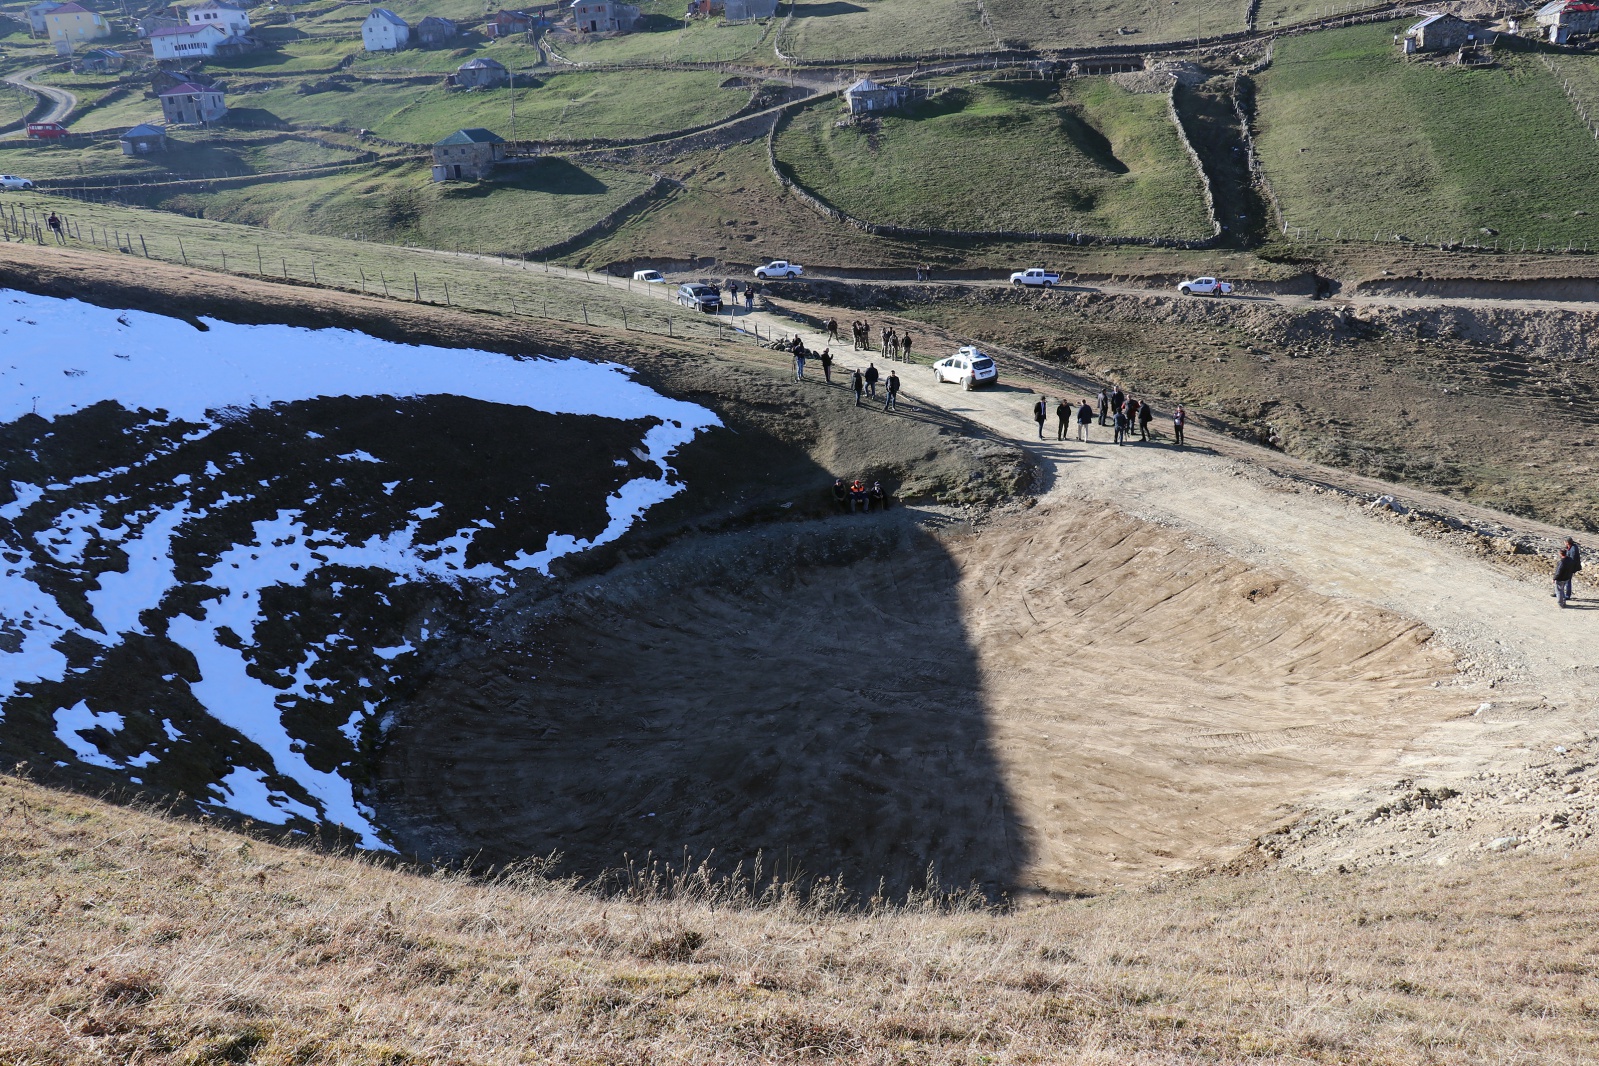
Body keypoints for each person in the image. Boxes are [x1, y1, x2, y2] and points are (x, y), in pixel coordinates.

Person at [1556, 538, 1583, 607]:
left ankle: (1567, 595)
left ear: (1567, 542)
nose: (1564, 543)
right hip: (1568, 566)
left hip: (1570, 567)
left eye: (1565, 542)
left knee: (1567, 580)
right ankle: (1561, 594)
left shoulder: (1573, 549)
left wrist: (1570, 568)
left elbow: (1573, 560)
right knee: (1565, 580)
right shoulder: (1569, 547)